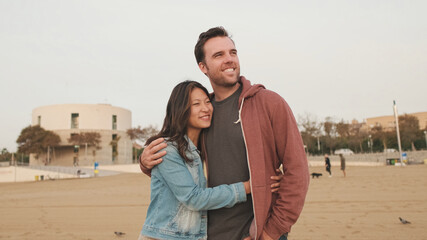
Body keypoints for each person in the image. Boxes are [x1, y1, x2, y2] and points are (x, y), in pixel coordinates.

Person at [140, 27, 309, 240]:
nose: (229, 59)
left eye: (233, 52)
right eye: (219, 55)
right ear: (203, 67)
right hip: (205, 234)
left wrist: (271, 232)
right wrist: (146, 162)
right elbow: (178, 166)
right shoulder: (202, 114)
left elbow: (298, 171)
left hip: (256, 232)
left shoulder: (269, 103)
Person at [139, 81, 252, 240]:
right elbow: (194, 199)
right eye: (196, 104)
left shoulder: (204, 148)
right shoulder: (167, 149)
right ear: (181, 110)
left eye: (207, 102)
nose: (205, 108)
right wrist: (247, 187)